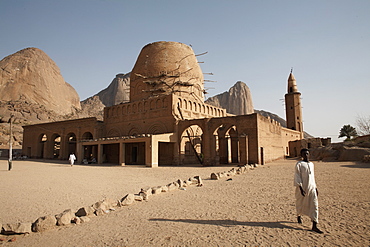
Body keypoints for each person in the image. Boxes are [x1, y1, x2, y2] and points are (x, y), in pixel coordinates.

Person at [294, 148, 323, 234]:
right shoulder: (299, 164)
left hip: (312, 188)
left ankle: (314, 225)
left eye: (307, 153)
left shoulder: (312, 164)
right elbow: (297, 176)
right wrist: (300, 188)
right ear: (301, 155)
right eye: (304, 154)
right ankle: (298, 215)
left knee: (314, 205)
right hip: (302, 188)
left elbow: (312, 177)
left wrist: (316, 187)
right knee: (300, 203)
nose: (306, 155)